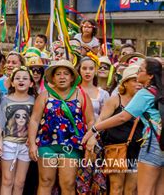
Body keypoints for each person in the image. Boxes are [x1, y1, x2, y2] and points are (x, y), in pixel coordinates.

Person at [83, 58, 164, 195]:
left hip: (152, 145)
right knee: (159, 190)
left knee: (145, 191)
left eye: (141, 70)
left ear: (150, 75)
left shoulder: (146, 93)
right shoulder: (160, 92)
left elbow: (122, 117)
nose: (138, 73)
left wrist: (94, 129)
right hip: (162, 143)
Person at [29, 60, 94, 195]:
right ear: (53, 78)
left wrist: (90, 140)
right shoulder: (44, 95)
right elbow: (34, 120)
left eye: (66, 74)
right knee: (45, 181)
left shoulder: (81, 95)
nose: (62, 77)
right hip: (47, 144)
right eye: (58, 74)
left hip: (72, 145)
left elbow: (91, 121)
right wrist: (32, 144)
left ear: (72, 77)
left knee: (68, 183)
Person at [98, 65, 143, 195]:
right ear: (125, 83)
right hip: (116, 149)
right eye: (134, 80)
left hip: (137, 150)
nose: (138, 84)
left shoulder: (144, 101)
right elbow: (101, 120)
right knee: (116, 188)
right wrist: (91, 136)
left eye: (140, 81)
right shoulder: (115, 99)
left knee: (131, 189)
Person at [0, 67, 36, 195]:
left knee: (20, 182)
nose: (21, 80)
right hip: (8, 144)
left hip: (26, 145)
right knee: (7, 180)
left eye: (25, 78)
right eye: (17, 78)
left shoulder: (34, 101)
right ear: (12, 82)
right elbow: (0, 122)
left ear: (31, 83)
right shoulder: (6, 100)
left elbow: (36, 123)